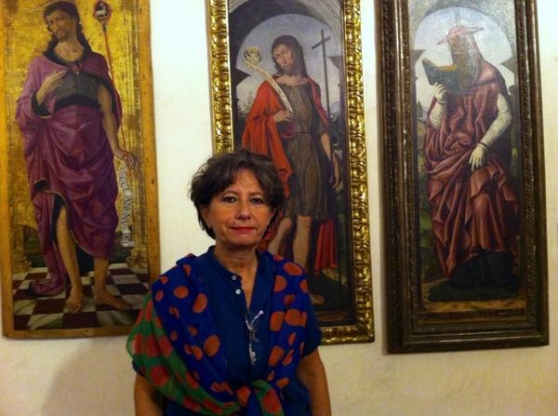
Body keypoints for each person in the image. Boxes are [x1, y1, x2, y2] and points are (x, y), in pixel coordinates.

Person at [127, 149, 331, 415]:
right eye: (229, 199)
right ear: (206, 212)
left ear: (270, 214)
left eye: (257, 200)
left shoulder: (290, 282)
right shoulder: (173, 291)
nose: (244, 212)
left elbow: (311, 369)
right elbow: (147, 388)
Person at [16, 1, 137, 312]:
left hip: (94, 147)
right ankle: (75, 290)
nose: (57, 25)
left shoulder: (95, 62)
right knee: (62, 215)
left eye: (61, 18)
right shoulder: (40, 66)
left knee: (103, 217)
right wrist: (43, 90)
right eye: (51, 22)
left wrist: (116, 148)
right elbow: (23, 112)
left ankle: (100, 290)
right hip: (57, 149)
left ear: (74, 20)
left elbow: (106, 109)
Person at [424, 25, 520, 290]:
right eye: (454, 49)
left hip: (481, 156)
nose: (459, 53)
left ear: (473, 47)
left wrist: (483, 145)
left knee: (482, 202)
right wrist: (440, 102)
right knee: (451, 204)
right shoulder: (449, 81)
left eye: (462, 47)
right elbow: (434, 125)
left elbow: (505, 116)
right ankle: (464, 270)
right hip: (451, 159)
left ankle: (497, 269)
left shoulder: (489, 77)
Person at [241, 35, 340, 282]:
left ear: (295, 50)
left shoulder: (311, 87)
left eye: (285, 52)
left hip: (311, 158)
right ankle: (269, 281)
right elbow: (252, 126)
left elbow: (321, 130)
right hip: (283, 158)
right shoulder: (270, 87)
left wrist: (334, 162)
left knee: (305, 221)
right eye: (277, 56)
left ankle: (297, 286)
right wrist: (273, 120)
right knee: (285, 222)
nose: (283, 59)